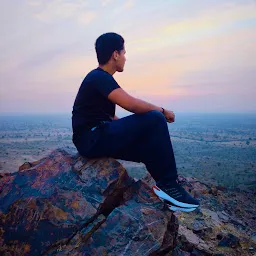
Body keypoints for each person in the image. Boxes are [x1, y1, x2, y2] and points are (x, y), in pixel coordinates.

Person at [72, 32, 199, 212]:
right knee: (155, 118)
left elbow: (111, 118)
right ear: (115, 54)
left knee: (147, 146)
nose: (125, 58)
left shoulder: (101, 79)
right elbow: (131, 104)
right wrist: (162, 111)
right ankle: (171, 185)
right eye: (124, 53)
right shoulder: (99, 77)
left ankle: (168, 192)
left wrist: (134, 132)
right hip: (91, 138)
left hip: (95, 137)